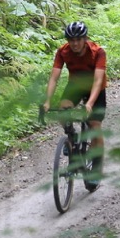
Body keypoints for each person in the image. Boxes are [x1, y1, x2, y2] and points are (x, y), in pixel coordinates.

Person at [42, 21, 106, 177]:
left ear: (85, 39)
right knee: (63, 110)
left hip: (95, 87)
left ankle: (96, 169)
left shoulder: (98, 52)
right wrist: (47, 101)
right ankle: (72, 137)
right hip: (76, 85)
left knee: (95, 126)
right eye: (71, 40)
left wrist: (90, 104)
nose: (75, 43)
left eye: (78, 39)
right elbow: (54, 78)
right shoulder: (63, 52)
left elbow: (98, 81)